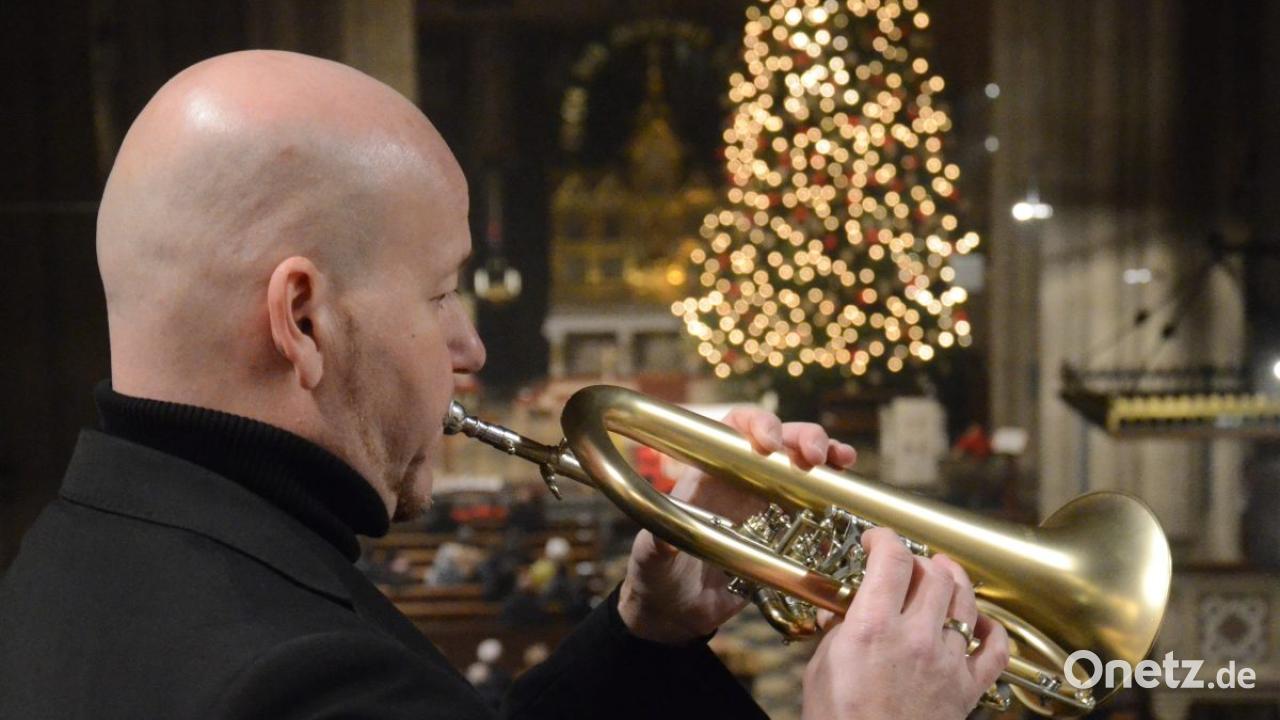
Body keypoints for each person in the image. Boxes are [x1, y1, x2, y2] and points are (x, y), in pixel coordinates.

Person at [0, 50, 1007, 720]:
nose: (471, 347)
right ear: (301, 320)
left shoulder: (84, 552)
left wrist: (641, 637)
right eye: (441, 292)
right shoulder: (298, 683)